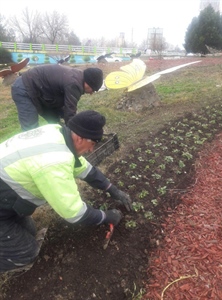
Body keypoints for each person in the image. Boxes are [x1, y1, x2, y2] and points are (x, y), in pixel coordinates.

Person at [0, 110, 132, 273]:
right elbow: (74, 213)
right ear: (79, 138)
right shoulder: (53, 162)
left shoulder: (58, 134)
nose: (92, 150)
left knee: (29, 232)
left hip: (5, 195)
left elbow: (84, 169)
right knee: (25, 253)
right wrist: (105, 217)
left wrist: (112, 189)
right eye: (92, 144)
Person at [11, 64, 103, 131]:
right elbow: (70, 111)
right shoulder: (74, 84)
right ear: (88, 82)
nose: (91, 93)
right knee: (30, 129)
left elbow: (65, 107)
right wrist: (76, 132)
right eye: (93, 89)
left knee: (55, 119)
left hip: (38, 88)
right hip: (24, 88)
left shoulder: (78, 77)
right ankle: (30, 154)